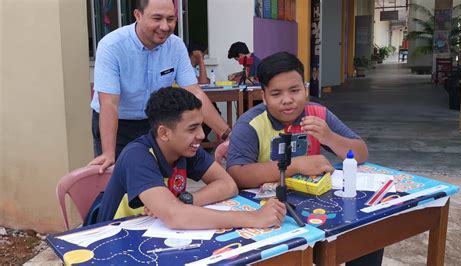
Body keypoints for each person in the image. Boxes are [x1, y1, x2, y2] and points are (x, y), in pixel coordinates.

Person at [225, 52, 383, 265]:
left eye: (295, 90)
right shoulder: (250, 124)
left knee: (368, 234)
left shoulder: (317, 114)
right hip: (267, 211)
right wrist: (295, 165)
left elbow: (361, 153)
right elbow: (237, 174)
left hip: (314, 205)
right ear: (263, 96)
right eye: (276, 93)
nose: (287, 100)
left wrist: (329, 136)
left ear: (306, 90)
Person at [96, 87, 286, 230]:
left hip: (154, 232)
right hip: (117, 237)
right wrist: (252, 218)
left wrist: (185, 200)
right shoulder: (137, 156)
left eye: (201, 126)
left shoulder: (186, 149)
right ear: (164, 133)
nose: (202, 135)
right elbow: (175, 217)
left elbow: (228, 185)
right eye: (192, 128)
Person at [89, 0, 230, 173]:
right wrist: (109, 153)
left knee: (160, 178)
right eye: (157, 18)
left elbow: (195, 93)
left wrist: (226, 134)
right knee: (120, 181)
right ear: (138, 15)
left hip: (155, 123)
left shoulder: (176, 46)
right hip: (118, 124)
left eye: (170, 19)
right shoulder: (111, 46)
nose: (164, 27)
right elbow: (109, 103)